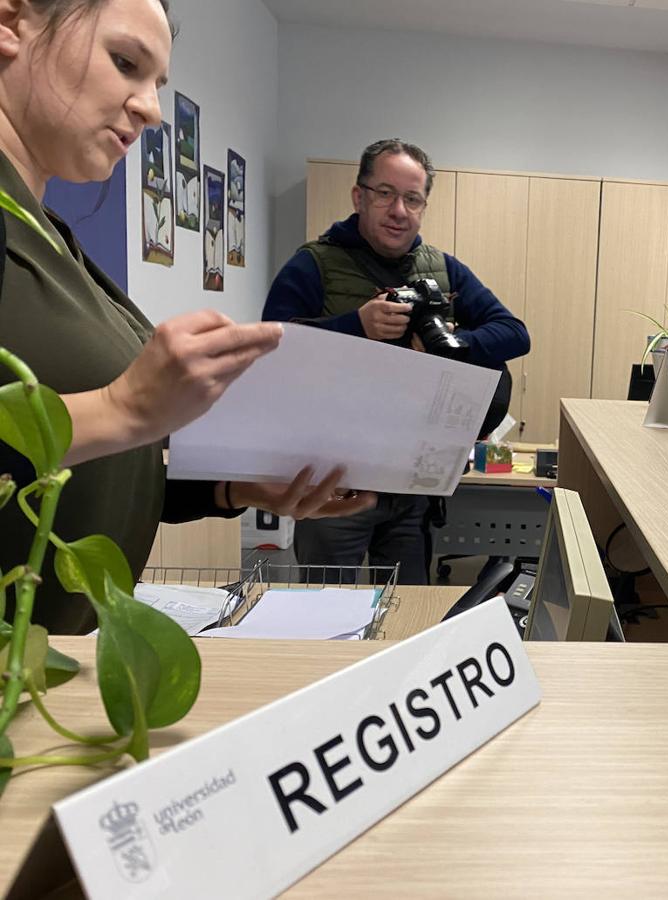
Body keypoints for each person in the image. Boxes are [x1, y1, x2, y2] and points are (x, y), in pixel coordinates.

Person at [0, 0, 375, 634]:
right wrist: (124, 407)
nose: (148, 107)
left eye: (157, 85)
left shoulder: (49, 234)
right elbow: (105, 423)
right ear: (12, 25)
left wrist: (234, 490)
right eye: (124, 63)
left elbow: (84, 463)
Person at [263, 139, 530, 584]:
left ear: (423, 206)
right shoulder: (313, 265)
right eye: (385, 193)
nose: (398, 210)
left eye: (412, 198)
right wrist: (356, 326)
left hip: (413, 481)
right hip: (332, 481)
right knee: (324, 616)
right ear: (359, 196)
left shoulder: (443, 270)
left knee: (409, 615)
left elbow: (515, 334)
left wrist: (451, 346)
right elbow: (270, 348)